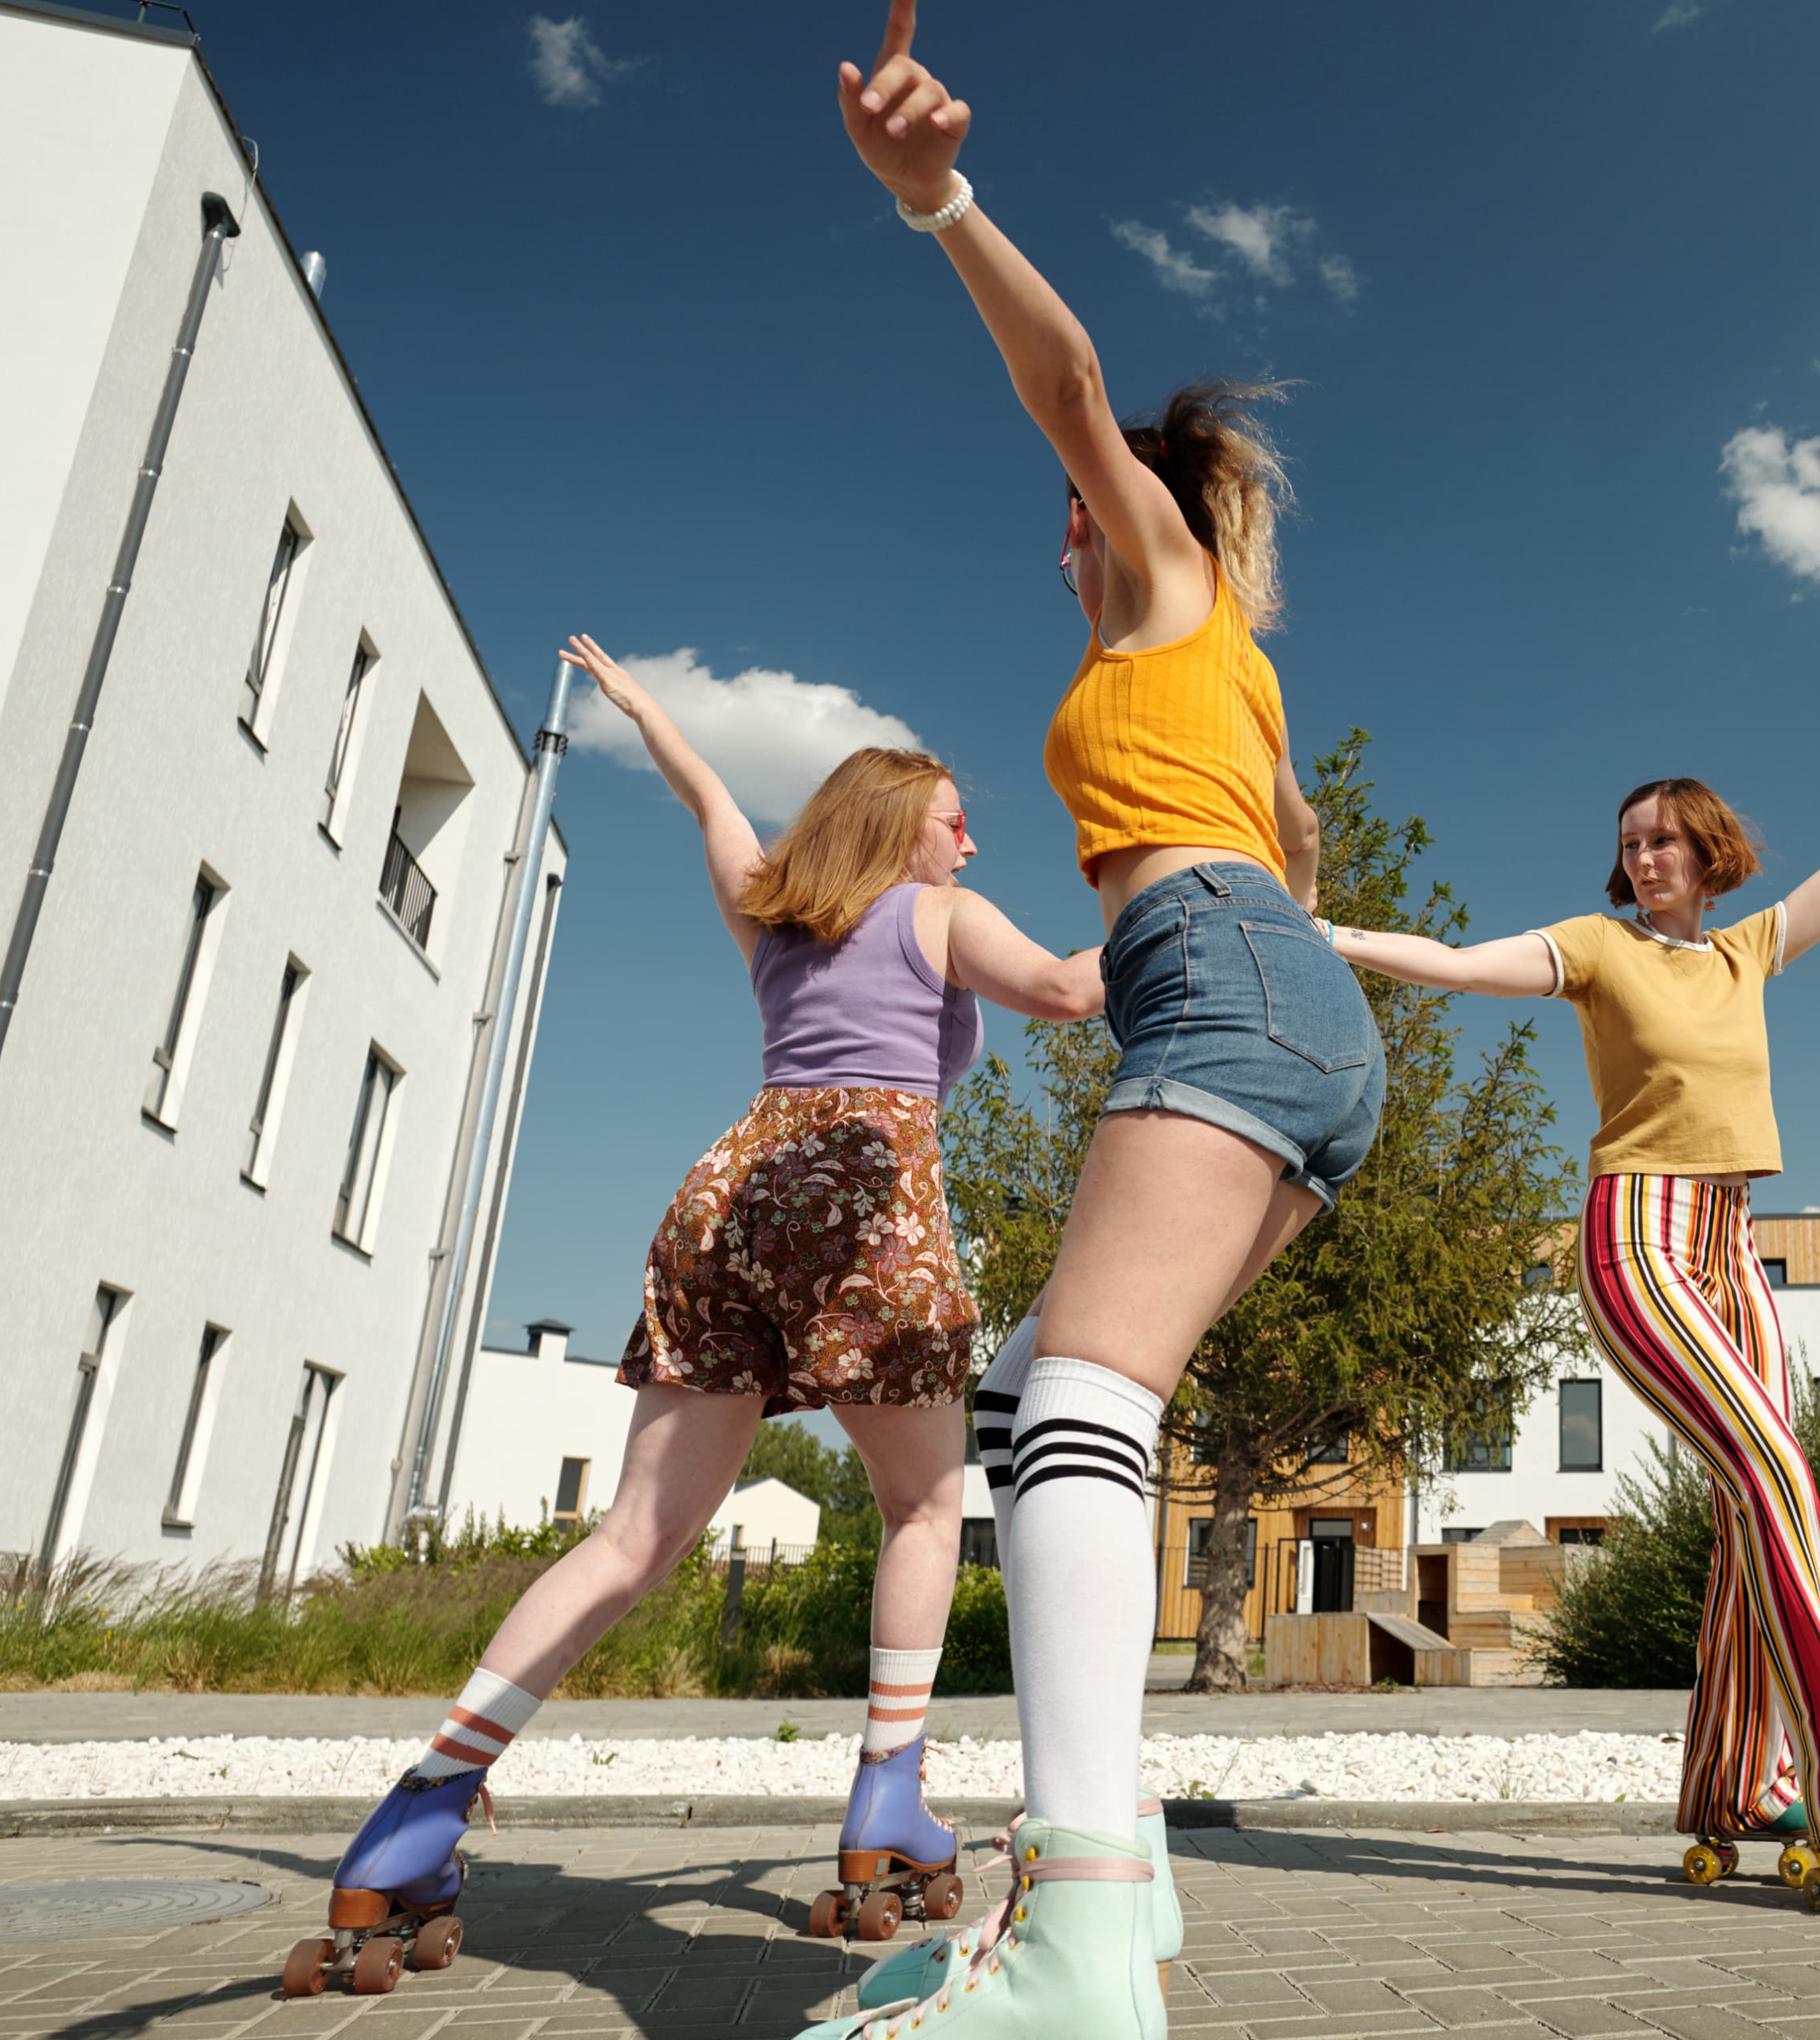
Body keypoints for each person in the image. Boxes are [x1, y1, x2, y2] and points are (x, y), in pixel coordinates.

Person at [815, 6, 1383, 2034]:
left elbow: (1064, 387)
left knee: (1075, 1411)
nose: (1063, 526)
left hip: (1221, 988)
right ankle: (1118, 1899)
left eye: (1085, 505)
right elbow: (1296, 862)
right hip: (1293, 1017)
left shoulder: (1160, 579)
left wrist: (938, 199)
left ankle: (1072, 1940)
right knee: (1053, 1376)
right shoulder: (1239, 686)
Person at [280, 636, 1103, 2000]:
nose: (968, 836)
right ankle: (885, 1801)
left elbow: (709, 798)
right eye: (956, 816)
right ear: (906, 828)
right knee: (921, 1506)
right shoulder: (941, 915)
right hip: (865, 1202)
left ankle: (423, 1804)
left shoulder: (771, 917)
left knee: (634, 1537)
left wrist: (644, 706)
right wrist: (1191, 889)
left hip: (729, 1199)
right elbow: (1074, 994)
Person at [1317, 723, 1820, 1916]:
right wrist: (1324, 934)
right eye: (1631, 844)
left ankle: (1740, 1786)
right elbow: (1459, 963)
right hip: (1637, 1237)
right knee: (1778, 1475)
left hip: (1737, 1243)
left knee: (1761, 1506)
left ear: (1710, 853)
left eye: (1666, 841)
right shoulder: (1596, 949)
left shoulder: (1750, 952)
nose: (1645, 859)